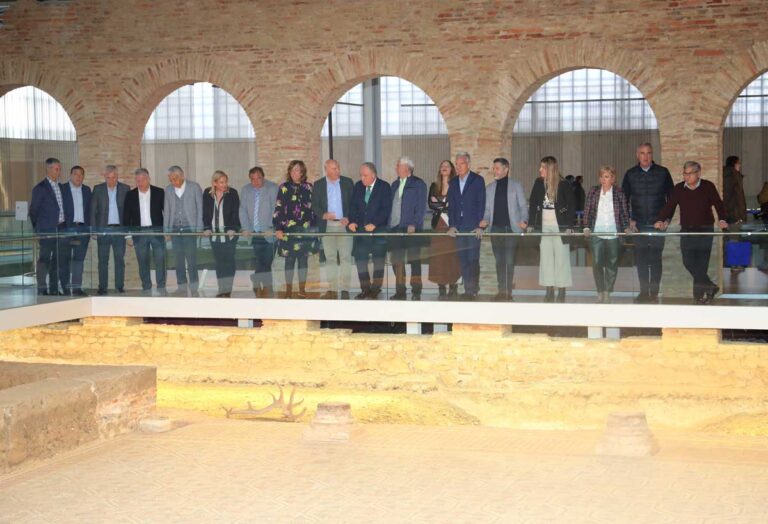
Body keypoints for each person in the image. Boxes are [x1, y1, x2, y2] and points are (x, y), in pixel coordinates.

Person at [655, 161, 727, 304]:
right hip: (686, 230)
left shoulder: (708, 186)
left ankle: (699, 297)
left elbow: (718, 204)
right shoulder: (679, 189)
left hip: (705, 230)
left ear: (698, 173)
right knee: (688, 262)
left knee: (701, 264)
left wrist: (723, 219)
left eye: (690, 173)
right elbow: (669, 206)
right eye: (685, 173)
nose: (686, 177)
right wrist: (660, 219)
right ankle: (710, 287)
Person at [622, 142, 674, 303]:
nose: (646, 156)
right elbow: (623, 199)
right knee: (642, 259)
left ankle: (654, 292)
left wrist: (666, 220)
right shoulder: (630, 174)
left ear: (652, 155)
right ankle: (644, 292)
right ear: (637, 155)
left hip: (658, 224)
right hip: (638, 225)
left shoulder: (663, 172)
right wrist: (629, 220)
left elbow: (671, 199)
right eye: (642, 153)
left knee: (656, 258)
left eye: (649, 153)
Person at [480, 157, 528, 301]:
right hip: (495, 229)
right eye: (494, 168)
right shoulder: (489, 188)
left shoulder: (516, 186)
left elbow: (523, 207)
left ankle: (507, 293)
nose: (494, 170)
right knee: (499, 261)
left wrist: (524, 220)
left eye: (497, 168)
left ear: (506, 169)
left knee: (508, 261)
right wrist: (485, 220)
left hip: (511, 229)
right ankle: (501, 291)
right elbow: (487, 211)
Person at [528, 156, 575, 302]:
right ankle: (548, 289)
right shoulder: (538, 183)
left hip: (559, 226)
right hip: (544, 226)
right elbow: (533, 203)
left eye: (543, 167)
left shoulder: (563, 184)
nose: (540, 169)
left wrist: (569, 226)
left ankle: (561, 289)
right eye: (540, 167)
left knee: (562, 258)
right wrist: (530, 224)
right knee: (546, 259)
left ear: (550, 168)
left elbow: (572, 206)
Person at [582, 166, 631, 303]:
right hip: (596, 233)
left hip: (614, 234)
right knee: (597, 263)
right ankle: (599, 290)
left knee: (612, 264)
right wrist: (586, 226)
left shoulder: (619, 193)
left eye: (607, 176)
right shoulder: (593, 191)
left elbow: (624, 213)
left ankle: (607, 291)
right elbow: (587, 210)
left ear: (613, 179)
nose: (603, 179)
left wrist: (626, 226)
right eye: (602, 176)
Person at [273, 160, 317, 298]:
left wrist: (315, 229)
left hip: (305, 230)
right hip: (288, 230)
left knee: (303, 261)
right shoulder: (283, 187)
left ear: (302, 172)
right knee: (289, 260)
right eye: (292, 170)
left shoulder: (309, 187)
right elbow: (278, 209)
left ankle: (302, 290)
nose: (294, 173)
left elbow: (314, 209)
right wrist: (278, 228)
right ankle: (288, 290)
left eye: (297, 170)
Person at [311, 159, 354, 300]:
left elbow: (355, 204)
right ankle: (332, 289)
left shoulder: (348, 182)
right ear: (326, 170)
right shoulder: (318, 185)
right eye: (334, 169)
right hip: (327, 226)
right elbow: (314, 205)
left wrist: (348, 217)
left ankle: (345, 289)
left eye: (338, 168)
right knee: (330, 259)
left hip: (344, 226)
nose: (337, 171)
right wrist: (323, 214)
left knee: (346, 258)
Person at [348, 162, 391, 299]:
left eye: (365, 175)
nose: (362, 178)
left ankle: (375, 289)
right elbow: (353, 206)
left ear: (373, 175)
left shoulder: (384, 187)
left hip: (378, 232)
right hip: (361, 231)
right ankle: (365, 289)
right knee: (361, 261)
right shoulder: (358, 186)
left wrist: (375, 224)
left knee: (378, 262)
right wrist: (352, 221)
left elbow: (386, 209)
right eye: (361, 175)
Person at [446, 152, 485, 300]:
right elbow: (452, 206)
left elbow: (481, 203)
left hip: (473, 226)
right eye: (456, 164)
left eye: (461, 164)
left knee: (473, 259)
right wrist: (452, 225)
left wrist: (480, 225)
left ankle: (473, 290)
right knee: (463, 259)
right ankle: (467, 289)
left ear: (468, 164)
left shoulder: (477, 180)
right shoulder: (454, 182)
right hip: (459, 227)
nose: (458, 166)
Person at [388, 157, 427, 301]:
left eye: (398, 165)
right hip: (395, 229)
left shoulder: (418, 184)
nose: (396, 168)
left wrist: (415, 224)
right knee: (397, 261)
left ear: (407, 168)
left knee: (414, 261)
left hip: (411, 228)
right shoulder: (394, 185)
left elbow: (422, 207)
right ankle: (400, 291)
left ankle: (416, 291)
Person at [123, 168, 166, 294]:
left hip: (157, 231)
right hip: (139, 233)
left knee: (160, 260)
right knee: (142, 261)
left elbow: (166, 213)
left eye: (142, 180)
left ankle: (161, 287)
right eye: (137, 180)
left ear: (148, 179)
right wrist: (128, 236)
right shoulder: (130, 195)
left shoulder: (159, 192)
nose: (139, 183)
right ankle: (146, 287)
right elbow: (126, 217)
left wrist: (166, 232)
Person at [29, 157, 68, 296]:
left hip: (61, 229)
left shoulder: (61, 186)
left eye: (60, 168)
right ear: (49, 169)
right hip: (46, 230)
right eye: (57, 169)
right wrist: (38, 229)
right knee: (44, 259)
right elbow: (33, 211)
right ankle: (42, 288)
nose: (59, 171)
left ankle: (53, 288)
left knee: (57, 260)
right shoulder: (40, 188)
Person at [163, 165, 203, 296]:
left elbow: (200, 209)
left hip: (190, 229)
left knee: (192, 260)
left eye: (174, 178)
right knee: (178, 260)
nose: (172, 181)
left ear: (182, 176)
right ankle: (181, 288)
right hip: (175, 230)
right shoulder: (168, 190)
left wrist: (198, 229)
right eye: (170, 179)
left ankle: (194, 288)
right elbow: (167, 211)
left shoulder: (194, 187)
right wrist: (166, 231)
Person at [240, 166, 279, 298]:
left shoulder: (272, 188)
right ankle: (268, 289)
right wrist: (245, 228)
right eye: (253, 179)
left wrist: (271, 227)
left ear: (263, 177)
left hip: (269, 233)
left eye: (258, 178)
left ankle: (257, 280)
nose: (256, 182)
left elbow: (276, 209)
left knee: (266, 261)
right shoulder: (245, 190)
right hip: (254, 232)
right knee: (260, 260)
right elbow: (243, 210)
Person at [91, 165, 129, 295]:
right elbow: (93, 211)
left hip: (119, 230)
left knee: (119, 260)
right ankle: (102, 287)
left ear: (117, 176)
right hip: (103, 230)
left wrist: (127, 233)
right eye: (108, 178)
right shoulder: (98, 189)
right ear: (104, 177)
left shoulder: (125, 189)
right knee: (103, 261)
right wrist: (93, 230)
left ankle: (119, 286)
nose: (111, 181)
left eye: (113, 178)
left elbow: (128, 213)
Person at [203, 170, 241, 297]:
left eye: (225, 181)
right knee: (219, 263)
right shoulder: (207, 193)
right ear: (214, 183)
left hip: (229, 235)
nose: (225, 184)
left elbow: (236, 213)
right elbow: (205, 213)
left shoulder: (232, 193)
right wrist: (206, 228)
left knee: (229, 262)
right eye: (221, 182)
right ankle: (221, 289)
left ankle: (227, 290)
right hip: (214, 235)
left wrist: (233, 228)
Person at [427, 160, 461, 299]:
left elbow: (456, 205)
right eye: (442, 166)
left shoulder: (457, 185)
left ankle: (453, 287)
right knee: (438, 258)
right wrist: (445, 204)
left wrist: (440, 204)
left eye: (447, 166)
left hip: (451, 226)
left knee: (452, 258)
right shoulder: (434, 186)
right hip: (438, 226)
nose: (444, 168)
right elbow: (431, 204)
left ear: (452, 169)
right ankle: (441, 287)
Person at [60, 165, 92, 296]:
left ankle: (77, 288)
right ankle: (66, 289)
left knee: (79, 260)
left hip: (82, 230)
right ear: (70, 175)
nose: (78, 177)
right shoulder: (62, 189)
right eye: (76, 174)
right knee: (65, 260)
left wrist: (90, 228)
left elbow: (90, 210)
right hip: (66, 229)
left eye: (81, 175)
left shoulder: (86, 190)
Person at [722, 155, 748, 273]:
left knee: (733, 239)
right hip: (734, 213)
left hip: (732, 213)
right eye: (738, 163)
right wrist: (738, 214)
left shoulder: (730, 175)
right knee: (734, 239)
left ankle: (734, 264)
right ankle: (734, 265)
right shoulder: (732, 175)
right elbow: (733, 197)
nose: (740, 165)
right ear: (734, 164)